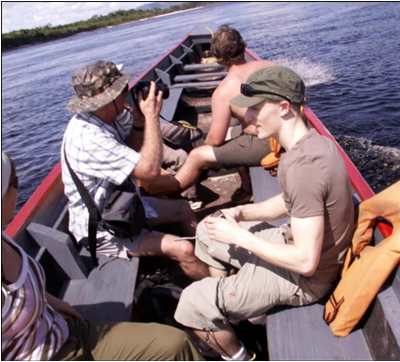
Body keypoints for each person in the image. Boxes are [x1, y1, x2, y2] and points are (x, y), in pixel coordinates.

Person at [173, 66, 355, 360]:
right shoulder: (312, 143)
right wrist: (243, 213)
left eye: (256, 109)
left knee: (191, 304)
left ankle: (242, 352)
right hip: (294, 245)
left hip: (305, 280)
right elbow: (291, 202)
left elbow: (306, 262)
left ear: (284, 108)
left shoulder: (302, 167)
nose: (247, 118)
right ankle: (232, 307)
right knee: (208, 230)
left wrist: (240, 238)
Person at [1, 152, 202, 361]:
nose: (17, 186)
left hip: (68, 330)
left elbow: (27, 287)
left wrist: (51, 302)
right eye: (13, 181)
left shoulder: (4, 239)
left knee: (176, 344)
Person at [61, 60, 208, 279]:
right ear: (108, 99)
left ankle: (209, 260)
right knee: (182, 249)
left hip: (125, 204)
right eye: (122, 91)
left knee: (183, 209)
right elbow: (149, 171)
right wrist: (151, 117)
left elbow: (132, 149)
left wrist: (139, 122)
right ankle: (221, 297)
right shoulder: (88, 137)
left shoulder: (108, 117)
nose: (126, 95)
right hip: (104, 227)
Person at [142, 25, 274, 198]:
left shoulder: (223, 91)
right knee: (234, 132)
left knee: (197, 156)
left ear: (218, 57)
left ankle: (170, 190)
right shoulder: (270, 66)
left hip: (266, 141)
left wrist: (202, 150)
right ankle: (246, 187)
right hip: (283, 130)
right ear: (243, 46)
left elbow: (215, 139)